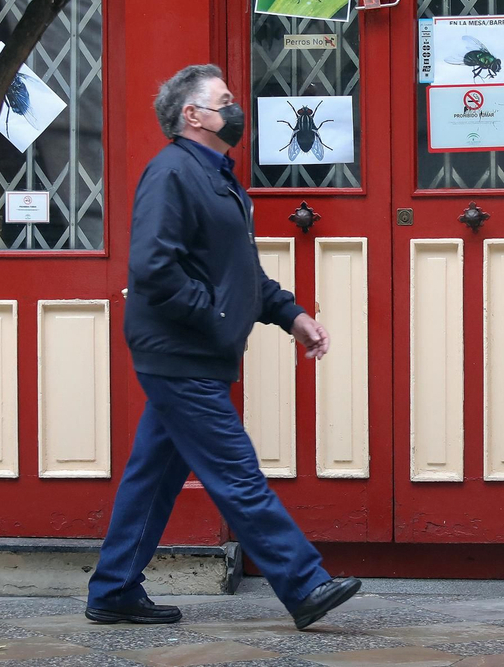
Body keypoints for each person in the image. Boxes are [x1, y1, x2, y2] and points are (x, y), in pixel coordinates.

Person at [85, 64, 360, 630]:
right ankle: (304, 583)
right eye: (225, 101)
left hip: (192, 352)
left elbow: (239, 273)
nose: (236, 110)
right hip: (179, 353)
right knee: (236, 471)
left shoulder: (218, 177)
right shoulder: (172, 174)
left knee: (153, 474)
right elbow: (153, 269)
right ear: (193, 115)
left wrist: (292, 315)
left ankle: (113, 588)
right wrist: (216, 317)